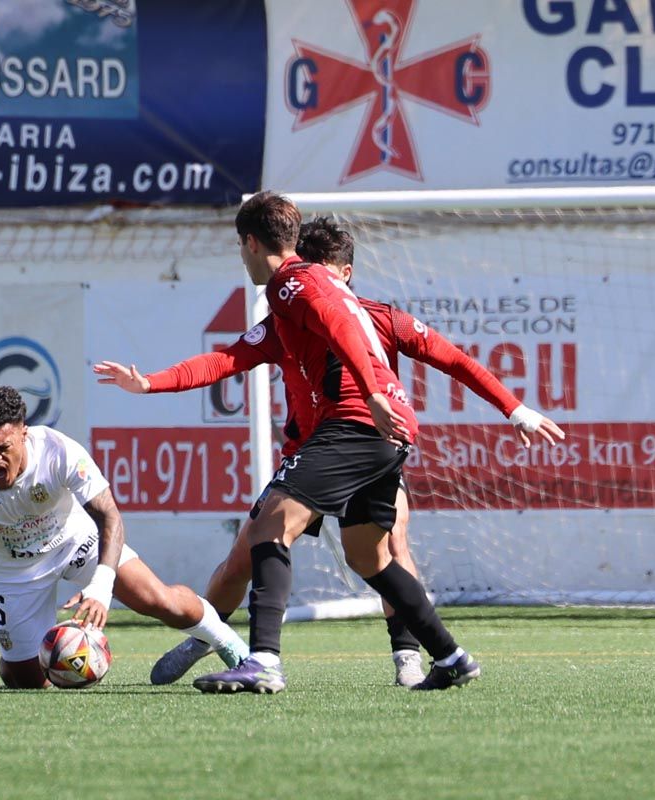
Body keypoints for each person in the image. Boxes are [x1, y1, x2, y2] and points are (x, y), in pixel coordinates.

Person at [95, 216, 565, 688]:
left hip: (357, 433)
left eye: (329, 273)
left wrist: (514, 409)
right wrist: (151, 382)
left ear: (343, 274)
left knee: (296, 532)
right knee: (354, 556)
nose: (320, 281)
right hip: (335, 442)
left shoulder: (334, 301)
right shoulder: (287, 319)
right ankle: (450, 657)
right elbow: (227, 359)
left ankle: (300, 660)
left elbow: (450, 358)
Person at [0, 385, 249, 689]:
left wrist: (99, 587)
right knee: (25, 679)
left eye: (3, 447)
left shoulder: (59, 451)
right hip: (14, 570)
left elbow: (109, 516)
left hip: (76, 542)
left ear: (24, 432)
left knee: (159, 600)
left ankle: (223, 640)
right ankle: (22, 655)